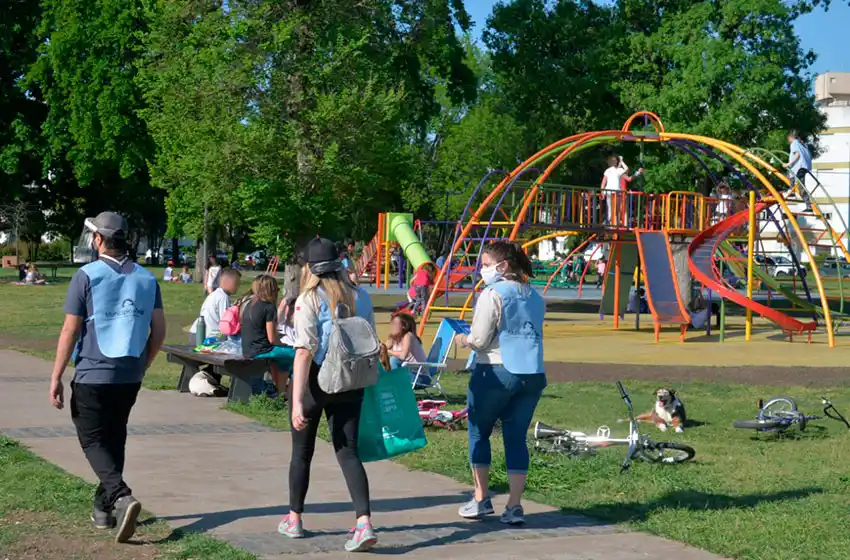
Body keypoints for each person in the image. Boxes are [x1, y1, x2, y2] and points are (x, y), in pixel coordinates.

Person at [49, 212, 166, 543]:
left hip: (93, 373)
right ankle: (104, 509)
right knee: (114, 438)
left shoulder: (86, 276)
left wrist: (56, 376)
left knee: (92, 439)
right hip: (129, 373)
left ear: (98, 240)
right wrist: (144, 363)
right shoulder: (146, 278)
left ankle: (121, 496)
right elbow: (159, 330)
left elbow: (71, 329)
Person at [279, 238, 378, 552]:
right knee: (348, 452)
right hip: (352, 381)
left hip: (316, 381)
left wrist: (296, 401)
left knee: (301, 452)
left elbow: (304, 351)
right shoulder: (361, 296)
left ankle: (294, 518)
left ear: (310, 267)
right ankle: (364, 522)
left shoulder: (309, 299)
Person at [454, 241, 546, 525]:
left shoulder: (492, 293)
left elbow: (480, 339)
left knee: (479, 432)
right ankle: (515, 505)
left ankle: (481, 499)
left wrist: (463, 339)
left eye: (485, 264)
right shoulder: (534, 295)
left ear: (502, 266)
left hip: (495, 369)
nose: (482, 270)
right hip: (532, 373)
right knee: (516, 437)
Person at [241, 275, 294, 393]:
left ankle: (281, 392)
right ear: (271, 290)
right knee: (295, 355)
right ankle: (288, 393)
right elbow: (271, 339)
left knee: (283, 360)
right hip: (261, 351)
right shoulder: (269, 307)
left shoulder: (249, 304)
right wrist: (285, 345)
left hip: (247, 349)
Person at [190, 268, 242, 345]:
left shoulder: (214, 294)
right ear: (229, 282)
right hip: (207, 337)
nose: (238, 287)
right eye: (237, 283)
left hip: (196, 332)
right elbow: (227, 323)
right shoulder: (223, 297)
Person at [600, 155, 641, 226]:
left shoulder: (618, 172)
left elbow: (629, 178)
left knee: (616, 209)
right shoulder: (615, 171)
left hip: (615, 192)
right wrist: (622, 161)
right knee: (614, 209)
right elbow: (627, 171)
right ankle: (609, 223)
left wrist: (602, 192)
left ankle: (615, 223)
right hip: (614, 192)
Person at [787, 130, 813, 211]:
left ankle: (808, 206)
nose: (788, 140)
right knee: (791, 177)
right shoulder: (803, 144)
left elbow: (797, 154)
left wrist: (788, 163)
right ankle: (792, 192)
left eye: (788, 138)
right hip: (803, 167)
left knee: (801, 186)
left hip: (799, 167)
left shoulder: (794, 143)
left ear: (791, 137)